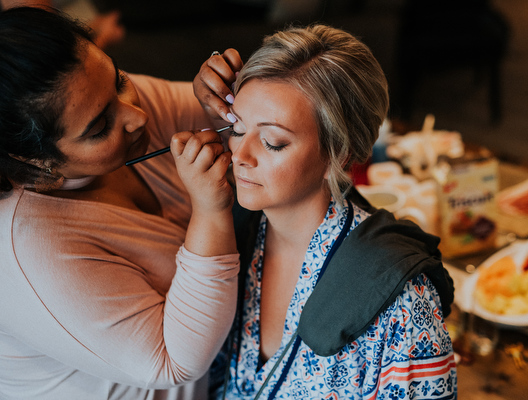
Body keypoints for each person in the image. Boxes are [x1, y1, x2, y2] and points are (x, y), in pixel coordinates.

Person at [195, 25, 457, 399]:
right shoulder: (234, 236)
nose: (240, 154)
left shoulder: (402, 301)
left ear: (341, 154)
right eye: (237, 128)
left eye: (272, 142)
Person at [0, 7, 238, 399]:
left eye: (119, 79)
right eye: (99, 128)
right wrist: (210, 213)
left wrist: (223, 90)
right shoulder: (26, 246)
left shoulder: (99, 99)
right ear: (34, 161)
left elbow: (226, 119)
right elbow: (173, 361)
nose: (137, 116)